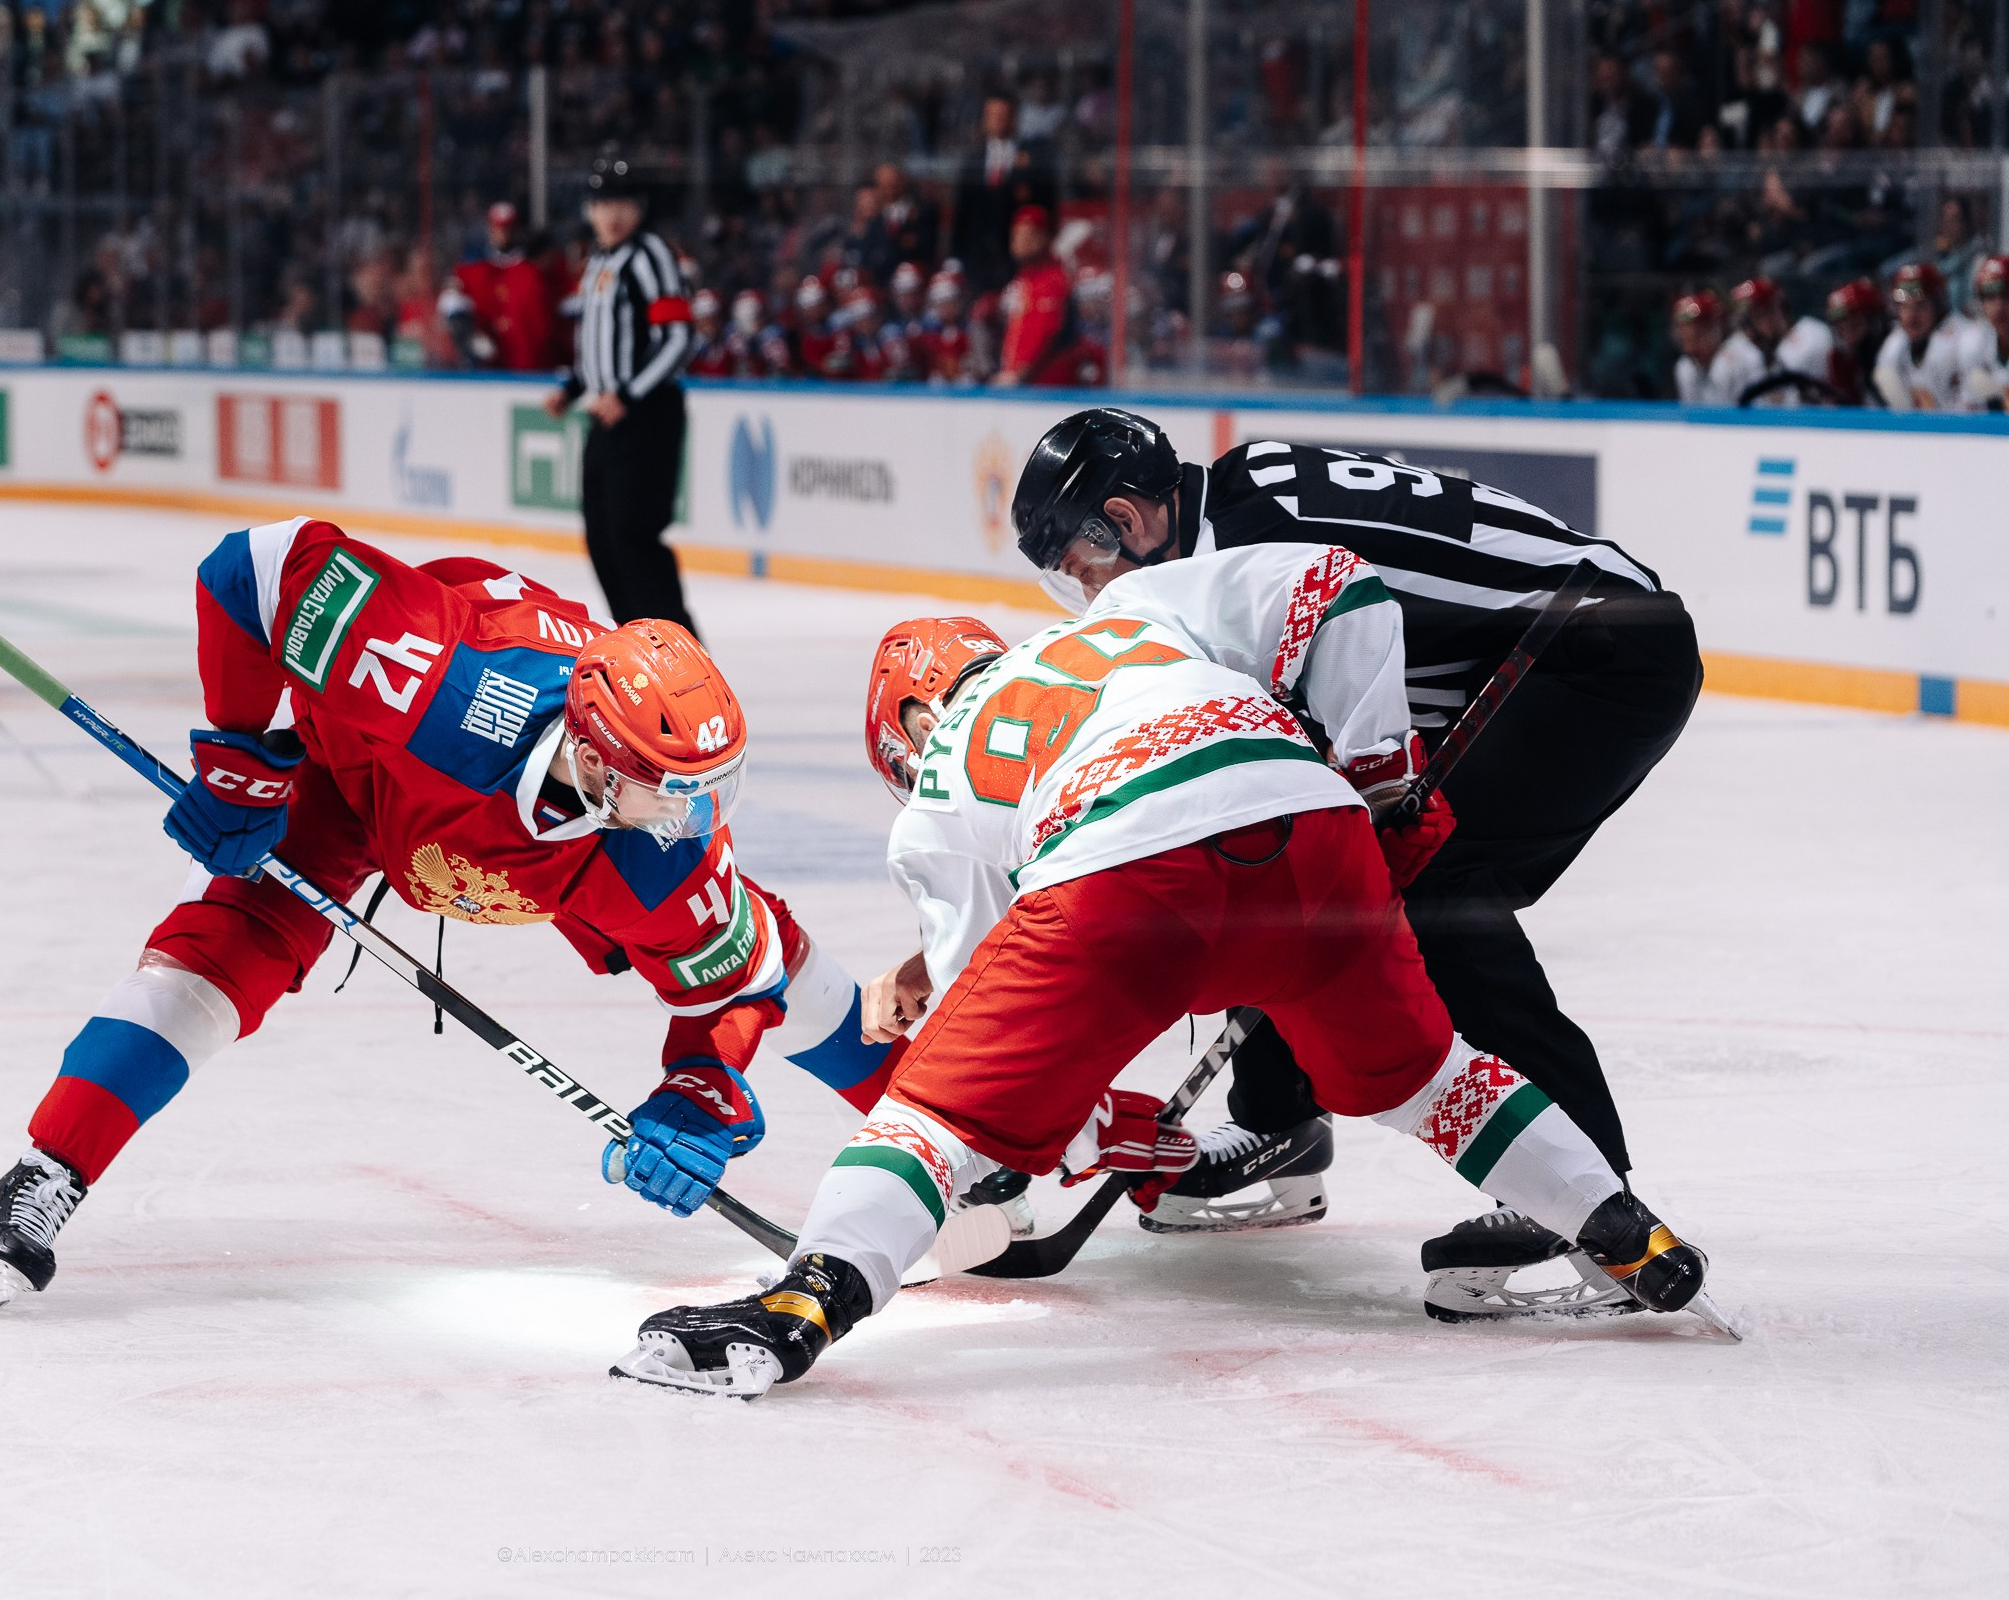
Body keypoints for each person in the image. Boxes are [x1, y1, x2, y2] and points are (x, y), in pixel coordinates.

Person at [612, 579, 1708, 1398]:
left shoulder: (937, 791)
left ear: (906, 722)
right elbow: (1336, 583)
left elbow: (986, 1083)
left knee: (932, 1119)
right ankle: (1623, 1231)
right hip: (1314, 824)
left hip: (1121, 874)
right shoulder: (1130, 615)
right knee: (1433, 1077)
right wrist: (1376, 778)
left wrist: (1098, 1136)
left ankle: (801, 1305)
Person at [0, 524, 896, 1312]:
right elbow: (249, 570)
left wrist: (698, 1084)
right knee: (217, 963)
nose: (695, 815)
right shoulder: (439, 677)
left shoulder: (656, 844)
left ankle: (942, 1122)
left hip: (535, 857)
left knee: (757, 935)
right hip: (350, 784)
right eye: (673, 790)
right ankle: (40, 1175)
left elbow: (739, 978)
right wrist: (241, 759)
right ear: (598, 763)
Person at [993, 411, 1701, 1319]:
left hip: (1597, 654)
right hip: (1561, 644)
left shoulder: (1243, 550)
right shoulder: (1239, 500)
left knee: (1436, 899)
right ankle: (1279, 1124)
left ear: (1127, 519)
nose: (1089, 596)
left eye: (1083, 568)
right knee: (1294, 839)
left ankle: (1590, 1202)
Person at [545, 150, 698, 633]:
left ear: (640, 208)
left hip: (645, 418)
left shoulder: (649, 255)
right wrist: (573, 387)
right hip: (607, 418)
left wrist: (627, 395)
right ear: (589, 211)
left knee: (633, 536)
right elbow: (598, 345)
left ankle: (679, 651)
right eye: (603, 203)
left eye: (623, 203)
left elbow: (678, 337)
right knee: (602, 537)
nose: (613, 214)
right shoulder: (599, 263)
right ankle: (636, 645)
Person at [949, 92, 1057, 296]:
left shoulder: (1034, 158)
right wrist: (956, 256)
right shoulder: (973, 161)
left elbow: (1046, 206)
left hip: (1017, 259)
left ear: (1014, 118)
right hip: (978, 259)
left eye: (1004, 115)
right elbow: (963, 212)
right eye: (993, 115)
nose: (998, 121)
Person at [453, 201, 559, 371]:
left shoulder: (531, 269)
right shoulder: (473, 269)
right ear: (490, 229)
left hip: (527, 365)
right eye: (498, 228)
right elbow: (454, 311)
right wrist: (471, 337)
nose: (503, 233)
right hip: (488, 367)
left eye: (508, 228)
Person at [992, 205, 1076, 387]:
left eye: (1027, 236)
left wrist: (1020, 374)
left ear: (1042, 238)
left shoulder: (1052, 280)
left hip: (1041, 385)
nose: (1018, 243)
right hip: (1018, 379)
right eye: (1016, 236)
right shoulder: (1024, 278)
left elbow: (1045, 331)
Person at [1874, 261, 1967, 411]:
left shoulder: (1963, 340)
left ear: (1938, 305)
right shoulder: (1895, 345)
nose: (1911, 316)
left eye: (1921, 304)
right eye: (1904, 306)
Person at [1732, 275, 1836, 402]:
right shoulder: (1764, 352)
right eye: (1747, 321)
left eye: (1756, 317)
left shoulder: (1813, 337)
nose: (1749, 330)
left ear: (1777, 310)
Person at [1671, 288, 1761, 405]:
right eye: (1685, 340)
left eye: (1696, 338)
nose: (1689, 349)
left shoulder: (1744, 357)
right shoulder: (1686, 366)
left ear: (1715, 329)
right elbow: (1690, 416)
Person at [1950, 254, 2009, 411]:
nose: (1999, 306)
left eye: (2006, 295)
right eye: (1990, 297)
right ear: (1981, 303)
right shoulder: (1972, 343)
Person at [1823, 276, 1887, 404]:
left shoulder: (1892, 353)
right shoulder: (1840, 361)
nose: (1848, 337)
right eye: (1840, 329)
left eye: (1854, 325)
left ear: (1874, 323)